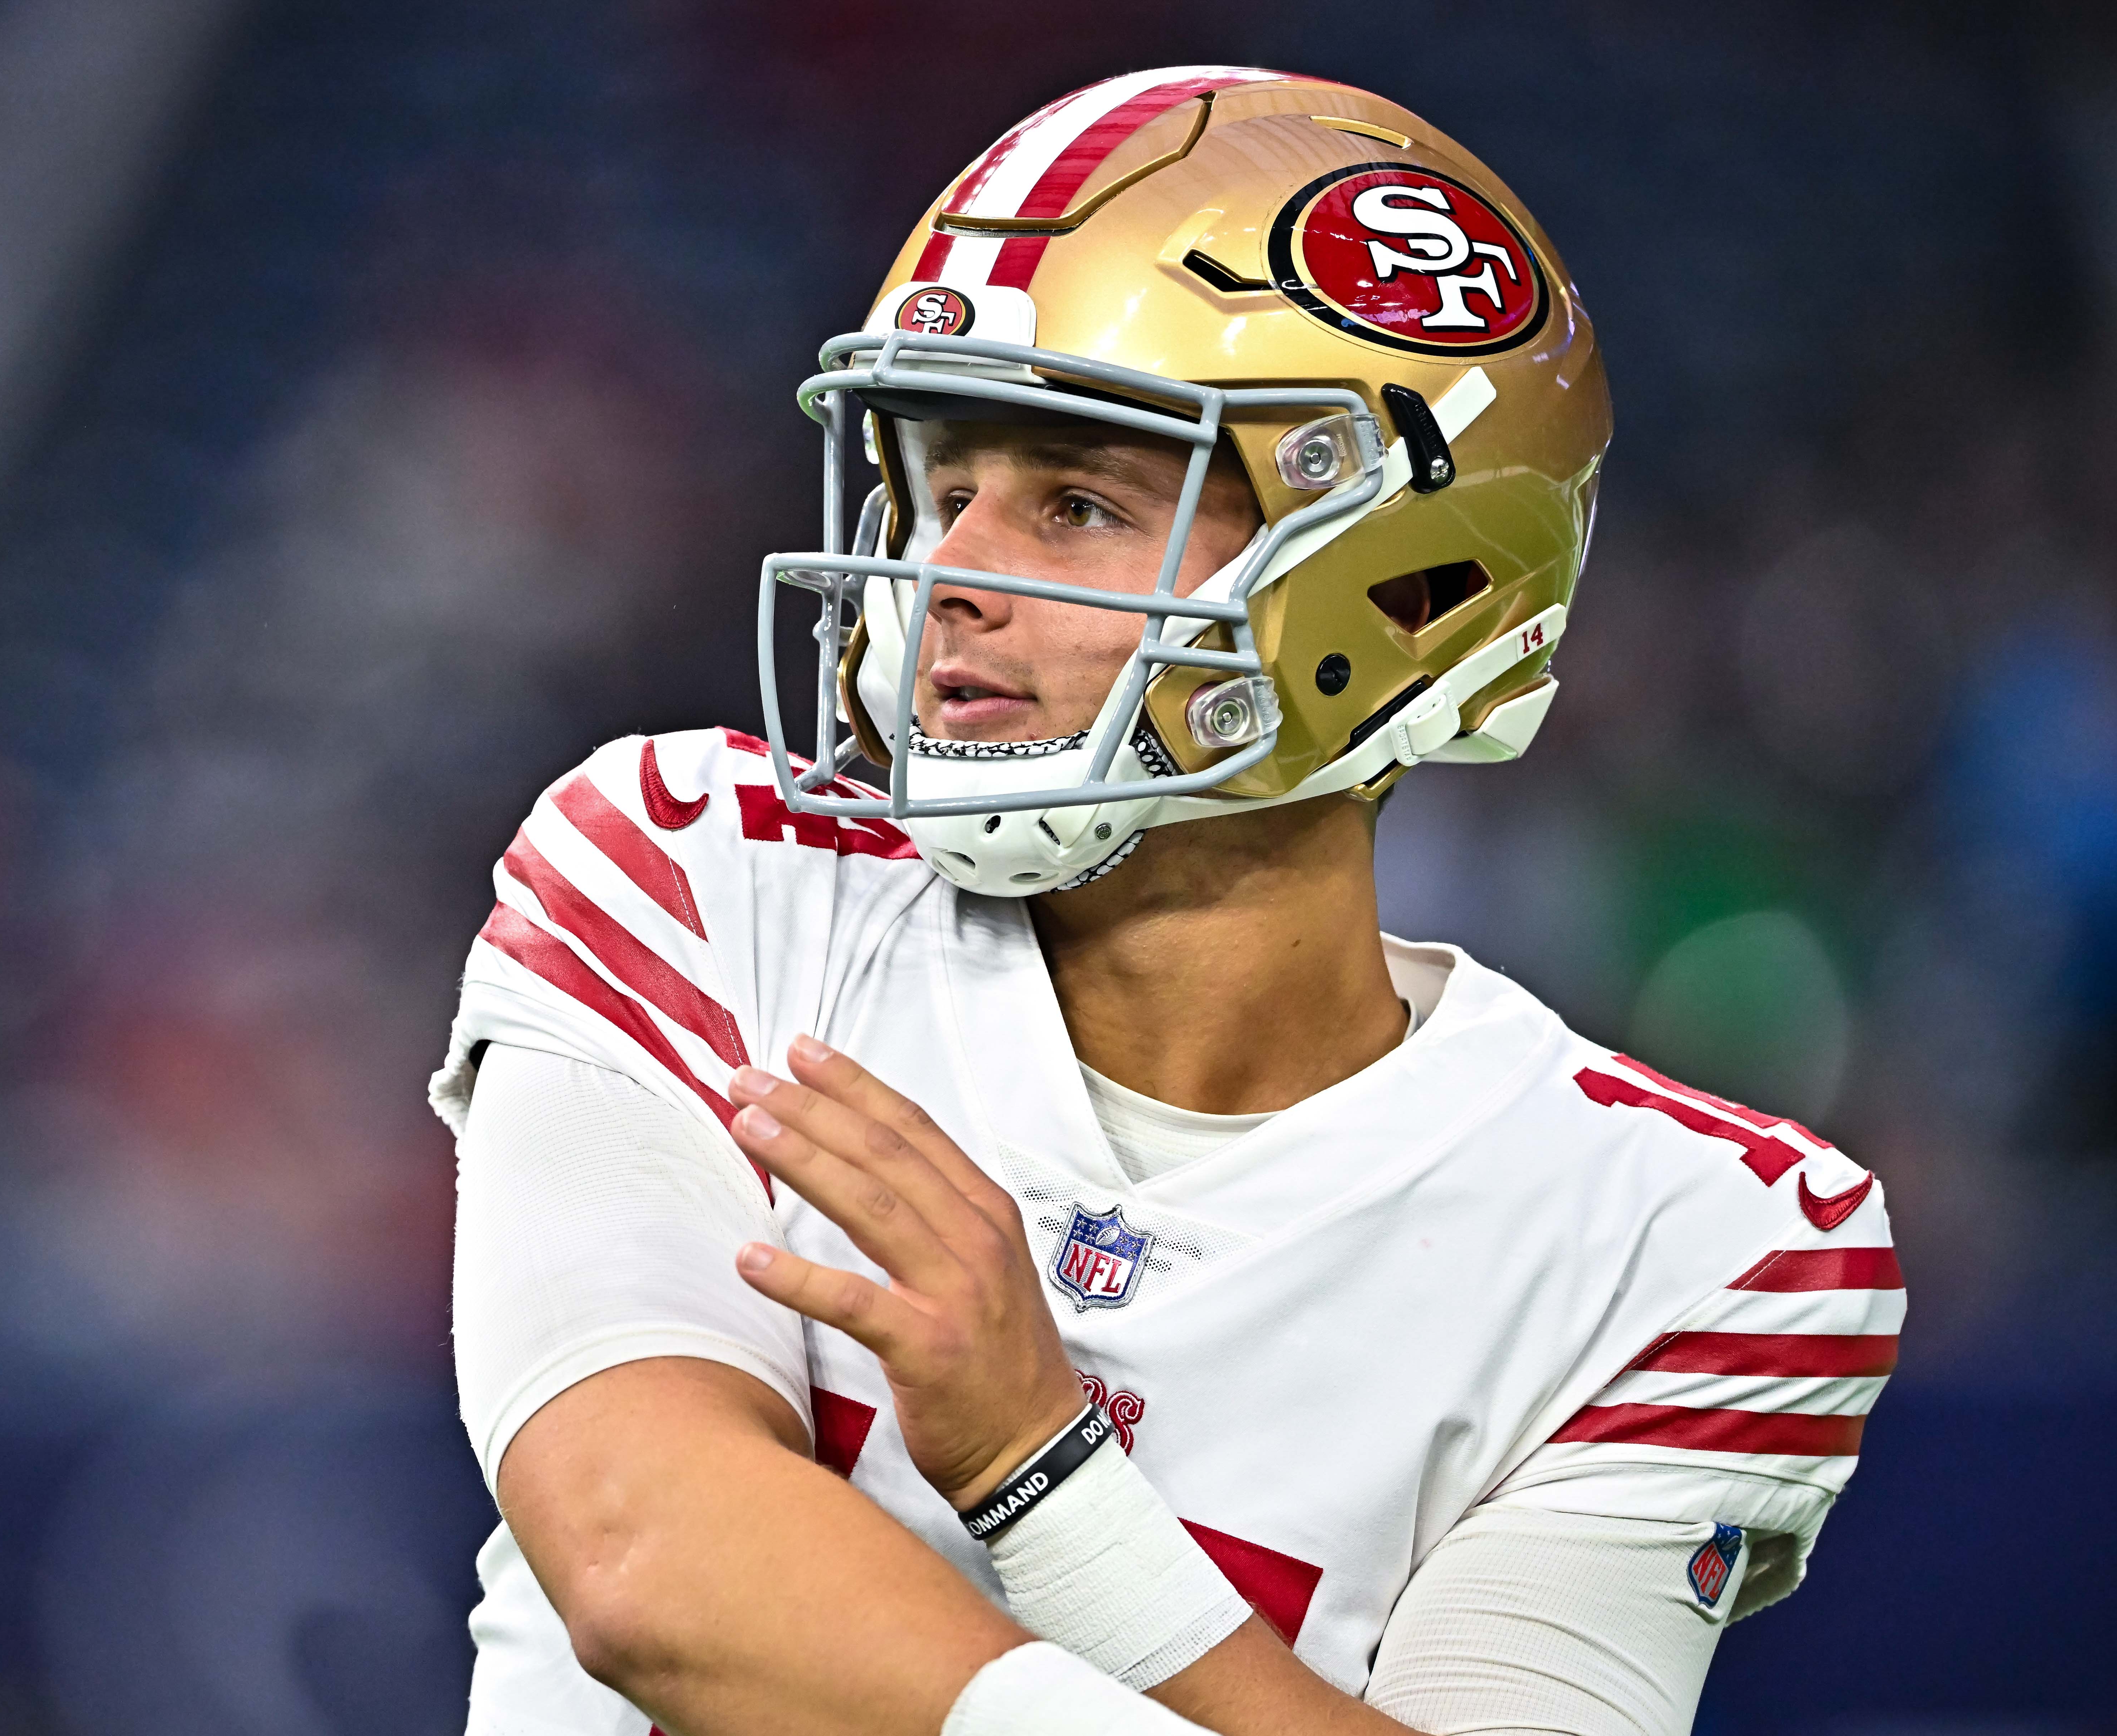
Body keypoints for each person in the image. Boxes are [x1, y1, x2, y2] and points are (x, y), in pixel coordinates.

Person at [434, 67, 1897, 1736]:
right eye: (937, 483)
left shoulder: (1701, 1243)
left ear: (1406, 589)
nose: (950, 572)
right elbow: (645, 1561)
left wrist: (1043, 1482)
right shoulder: (690, 872)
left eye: (1075, 502)